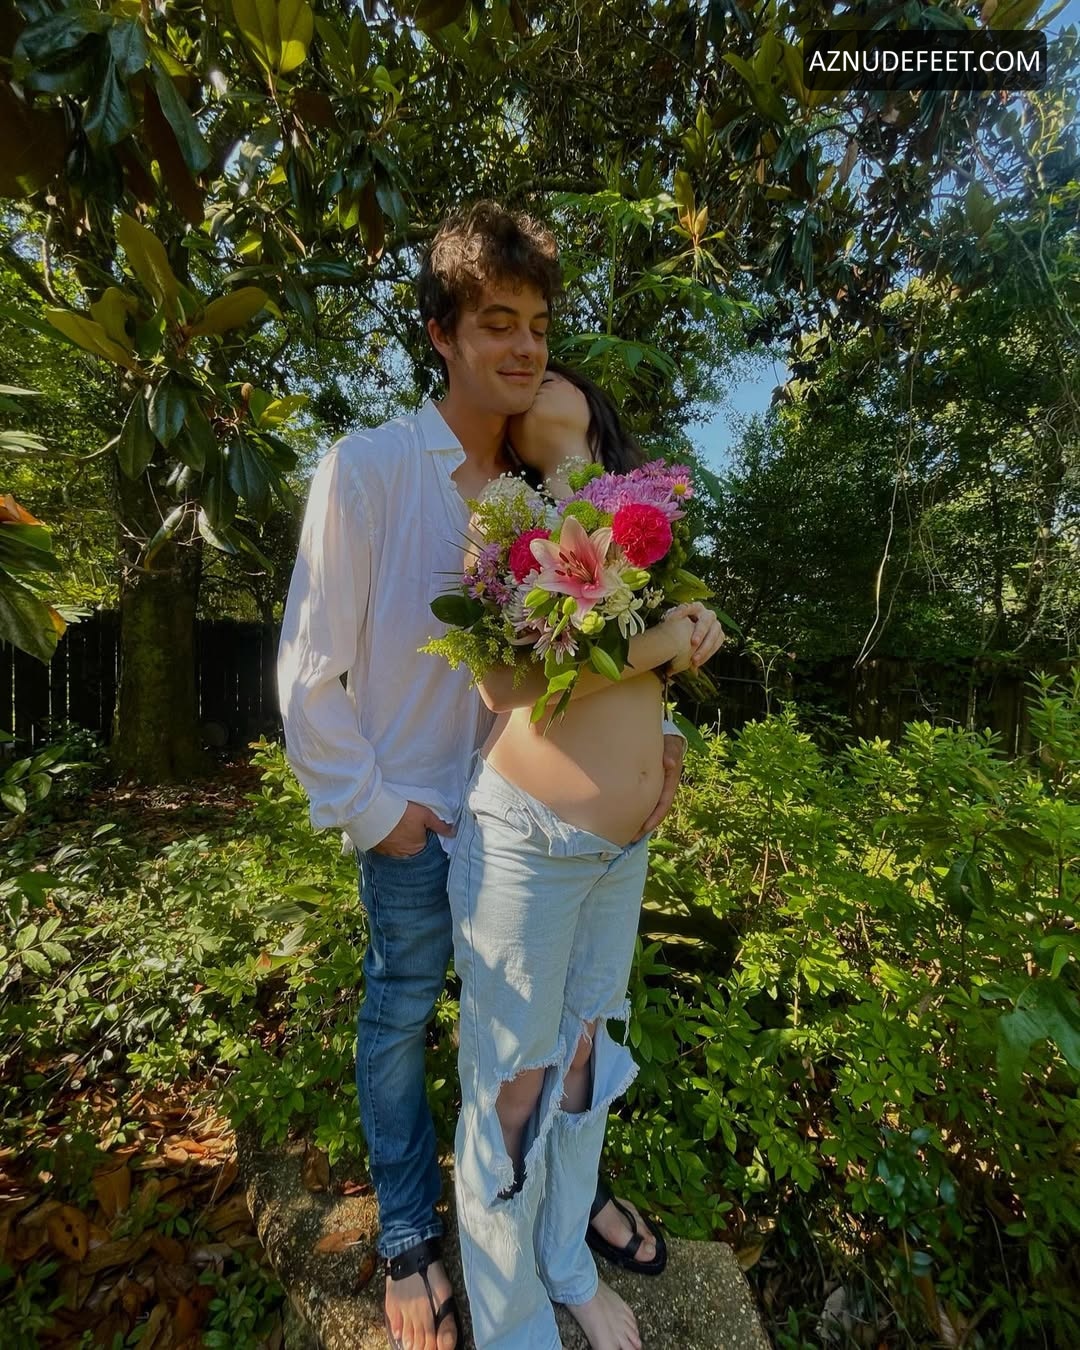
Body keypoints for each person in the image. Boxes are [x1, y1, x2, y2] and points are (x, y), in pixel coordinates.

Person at [277, 202, 721, 1350]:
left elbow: (583, 668)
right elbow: (309, 670)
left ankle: (558, 1227)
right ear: (442, 333)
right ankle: (409, 1236)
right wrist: (379, 814)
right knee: (402, 1017)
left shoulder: (536, 486)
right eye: (495, 324)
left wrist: (663, 734)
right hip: (422, 813)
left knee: (550, 1042)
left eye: (538, 325)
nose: (524, 347)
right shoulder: (371, 469)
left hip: (532, 818)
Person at [445, 364, 724, 1350]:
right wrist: (658, 644)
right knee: (514, 1083)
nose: (533, 368)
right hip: (528, 841)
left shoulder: (644, 512)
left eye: (549, 353)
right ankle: (513, 1320)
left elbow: (642, 681)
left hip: (618, 854)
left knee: (579, 1063)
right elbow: (503, 686)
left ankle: (566, 1260)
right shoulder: (499, 517)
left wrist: (670, 725)